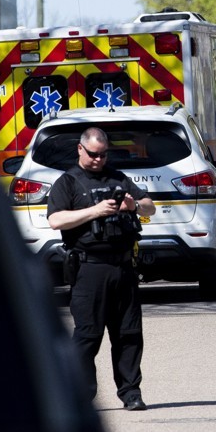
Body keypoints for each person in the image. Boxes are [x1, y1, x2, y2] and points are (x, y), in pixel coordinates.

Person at [47, 127, 156, 411]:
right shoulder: (68, 182)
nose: (98, 160)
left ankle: (131, 393)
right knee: (87, 336)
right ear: (80, 150)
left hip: (123, 267)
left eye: (103, 154)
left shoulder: (118, 177)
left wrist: (134, 205)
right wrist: (94, 211)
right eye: (94, 154)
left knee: (129, 334)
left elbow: (150, 207)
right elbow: (56, 220)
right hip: (88, 270)